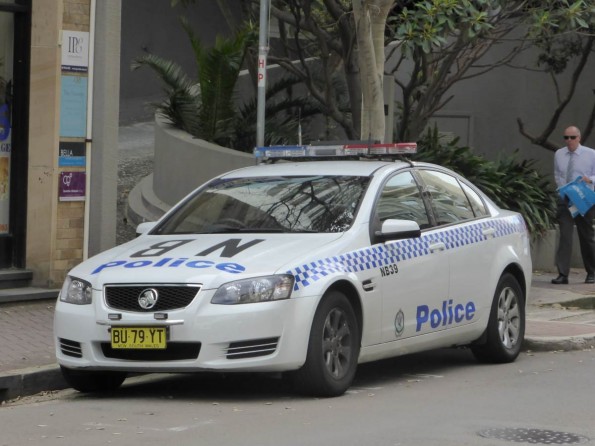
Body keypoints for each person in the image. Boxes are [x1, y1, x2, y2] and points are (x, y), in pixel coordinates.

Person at [552, 125, 595, 284]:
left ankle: (592, 272)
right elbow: (557, 174)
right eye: (566, 138)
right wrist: (562, 188)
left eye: (572, 137)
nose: (569, 141)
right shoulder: (559, 154)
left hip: (583, 199)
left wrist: (589, 180)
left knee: (586, 236)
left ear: (579, 138)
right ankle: (563, 274)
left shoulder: (591, 154)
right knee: (565, 236)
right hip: (565, 199)